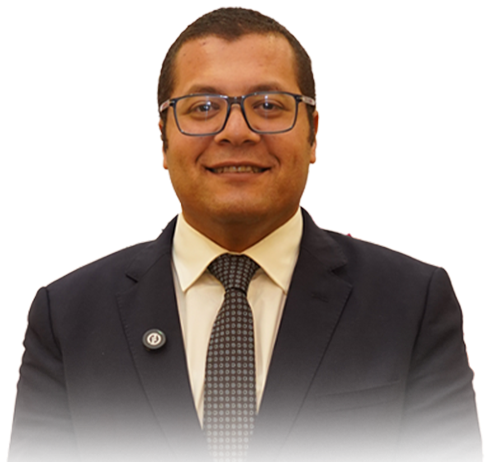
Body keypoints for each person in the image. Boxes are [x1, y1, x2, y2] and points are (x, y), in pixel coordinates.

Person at [8, 7, 482, 462]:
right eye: (203, 107)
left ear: (314, 133)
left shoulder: (412, 304)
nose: (236, 132)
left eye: (269, 105)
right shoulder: (66, 316)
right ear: (164, 139)